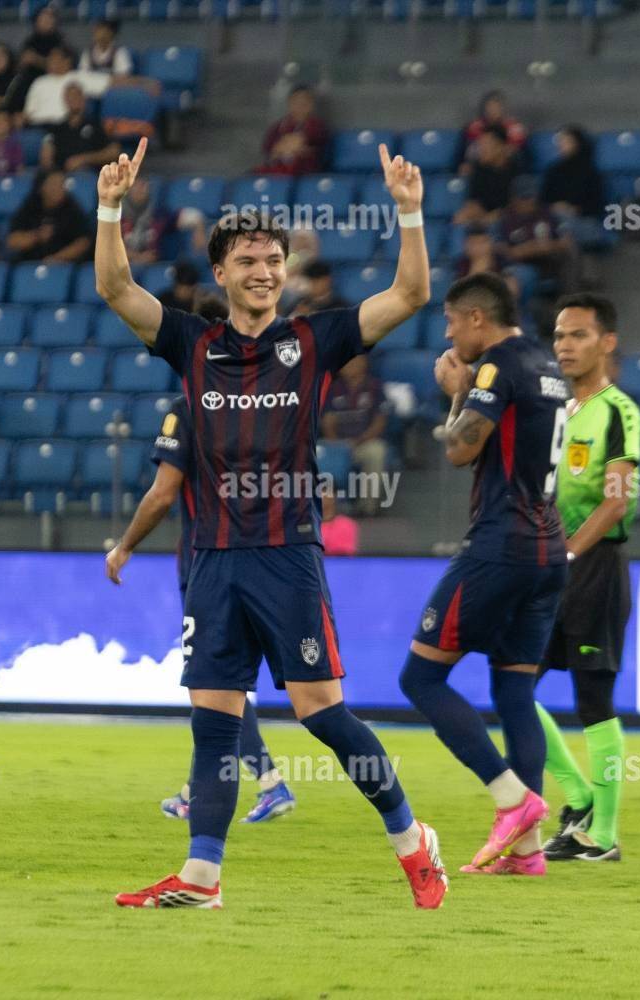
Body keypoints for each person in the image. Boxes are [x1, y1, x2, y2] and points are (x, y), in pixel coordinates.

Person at [100, 138, 447, 910]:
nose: (263, 270)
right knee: (213, 724)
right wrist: (110, 208)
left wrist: (410, 214)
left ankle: (410, 838)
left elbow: (412, 293)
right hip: (213, 559)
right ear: (221, 273)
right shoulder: (192, 344)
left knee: (323, 714)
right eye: (248, 259)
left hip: (286, 554)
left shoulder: (314, 340)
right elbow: (116, 287)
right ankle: (201, 877)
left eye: (273, 259)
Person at [399, 273, 567, 876]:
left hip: (502, 546)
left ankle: (512, 799)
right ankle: (526, 851)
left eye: (451, 322)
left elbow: (460, 448)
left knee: (421, 678)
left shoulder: (498, 365)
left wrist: (457, 394)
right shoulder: (547, 364)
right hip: (549, 551)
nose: (448, 335)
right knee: (514, 691)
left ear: (476, 318)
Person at [106, 395, 299, 825]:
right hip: (267, 559)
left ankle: (269, 781)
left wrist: (124, 546)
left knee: (213, 682)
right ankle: (197, 790)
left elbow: (162, 494)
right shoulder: (267, 399)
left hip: (208, 564)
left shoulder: (188, 407)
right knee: (221, 682)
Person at [530, 293, 640, 864]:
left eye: (578, 335)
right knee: (512, 683)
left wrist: (570, 553)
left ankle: (604, 835)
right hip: (551, 562)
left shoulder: (618, 411)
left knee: (593, 697)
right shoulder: (557, 408)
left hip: (594, 566)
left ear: (607, 342)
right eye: (559, 335)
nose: (565, 346)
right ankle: (578, 801)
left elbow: (616, 500)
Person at [322, 355, 389, 516]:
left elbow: (380, 422)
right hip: (336, 444)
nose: (350, 365)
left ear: (364, 363)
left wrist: (358, 441)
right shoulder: (332, 389)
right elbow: (327, 422)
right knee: (315, 452)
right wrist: (338, 445)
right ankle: (323, 509)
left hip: (364, 443)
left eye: (354, 361)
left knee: (377, 451)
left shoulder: (375, 387)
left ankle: (367, 508)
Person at [5, 169, 92, 262]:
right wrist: (37, 236)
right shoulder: (30, 205)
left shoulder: (72, 207)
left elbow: (84, 242)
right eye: (54, 184)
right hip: (31, 262)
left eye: (62, 184)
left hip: (64, 264)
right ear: (42, 187)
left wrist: (57, 258)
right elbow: (12, 241)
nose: (60, 188)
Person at [39, 81, 119, 174]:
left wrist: (84, 159)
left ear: (84, 99)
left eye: (77, 95)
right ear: (65, 100)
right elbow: (46, 158)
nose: (74, 99)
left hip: (89, 174)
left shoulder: (96, 125)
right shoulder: (57, 129)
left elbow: (114, 151)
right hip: (61, 174)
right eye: (70, 96)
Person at [453, 125, 518, 226]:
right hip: (484, 215)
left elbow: (520, 204)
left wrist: (497, 215)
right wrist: (476, 213)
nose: (481, 150)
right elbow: (474, 201)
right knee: (460, 218)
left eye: (486, 145)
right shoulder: (479, 169)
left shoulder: (516, 170)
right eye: (480, 145)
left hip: (509, 218)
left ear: (500, 147)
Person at [22, 47, 104, 125]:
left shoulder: (79, 77)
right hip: (38, 125)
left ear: (67, 61)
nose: (50, 61)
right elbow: (28, 112)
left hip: (65, 125)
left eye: (54, 58)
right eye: (50, 58)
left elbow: (108, 82)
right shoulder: (39, 82)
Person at [257, 85, 326, 176]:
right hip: (276, 172)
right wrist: (289, 148)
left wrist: (284, 147)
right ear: (289, 103)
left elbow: (298, 144)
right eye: (296, 102)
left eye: (304, 102)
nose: (300, 106)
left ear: (311, 105)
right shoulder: (277, 127)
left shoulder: (317, 126)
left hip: (304, 174)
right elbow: (271, 152)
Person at [540, 126, 605, 221]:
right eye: (560, 141)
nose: (561, 145)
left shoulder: (591, 172)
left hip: (584, 220)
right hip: (555, 218)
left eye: (566, 141)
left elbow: (597, 204)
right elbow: (543, 200)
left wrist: (576, 209)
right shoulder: (553, 170)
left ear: (577, 144)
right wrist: (553, 207)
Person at [459, 90, 527, 168]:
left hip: (507, 166)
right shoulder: (474, 127)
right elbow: (468, 152)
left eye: (496, 107)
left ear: (502, 109)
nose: (493, 111)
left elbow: (518, 153)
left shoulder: (515, 128)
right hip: (479, 165)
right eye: (490, 107)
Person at [319, 492, 358, 557]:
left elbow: (344, 551)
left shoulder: (346, 524)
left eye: (326, 497)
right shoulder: (308, 524)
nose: (323, 500)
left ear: (333, 499)